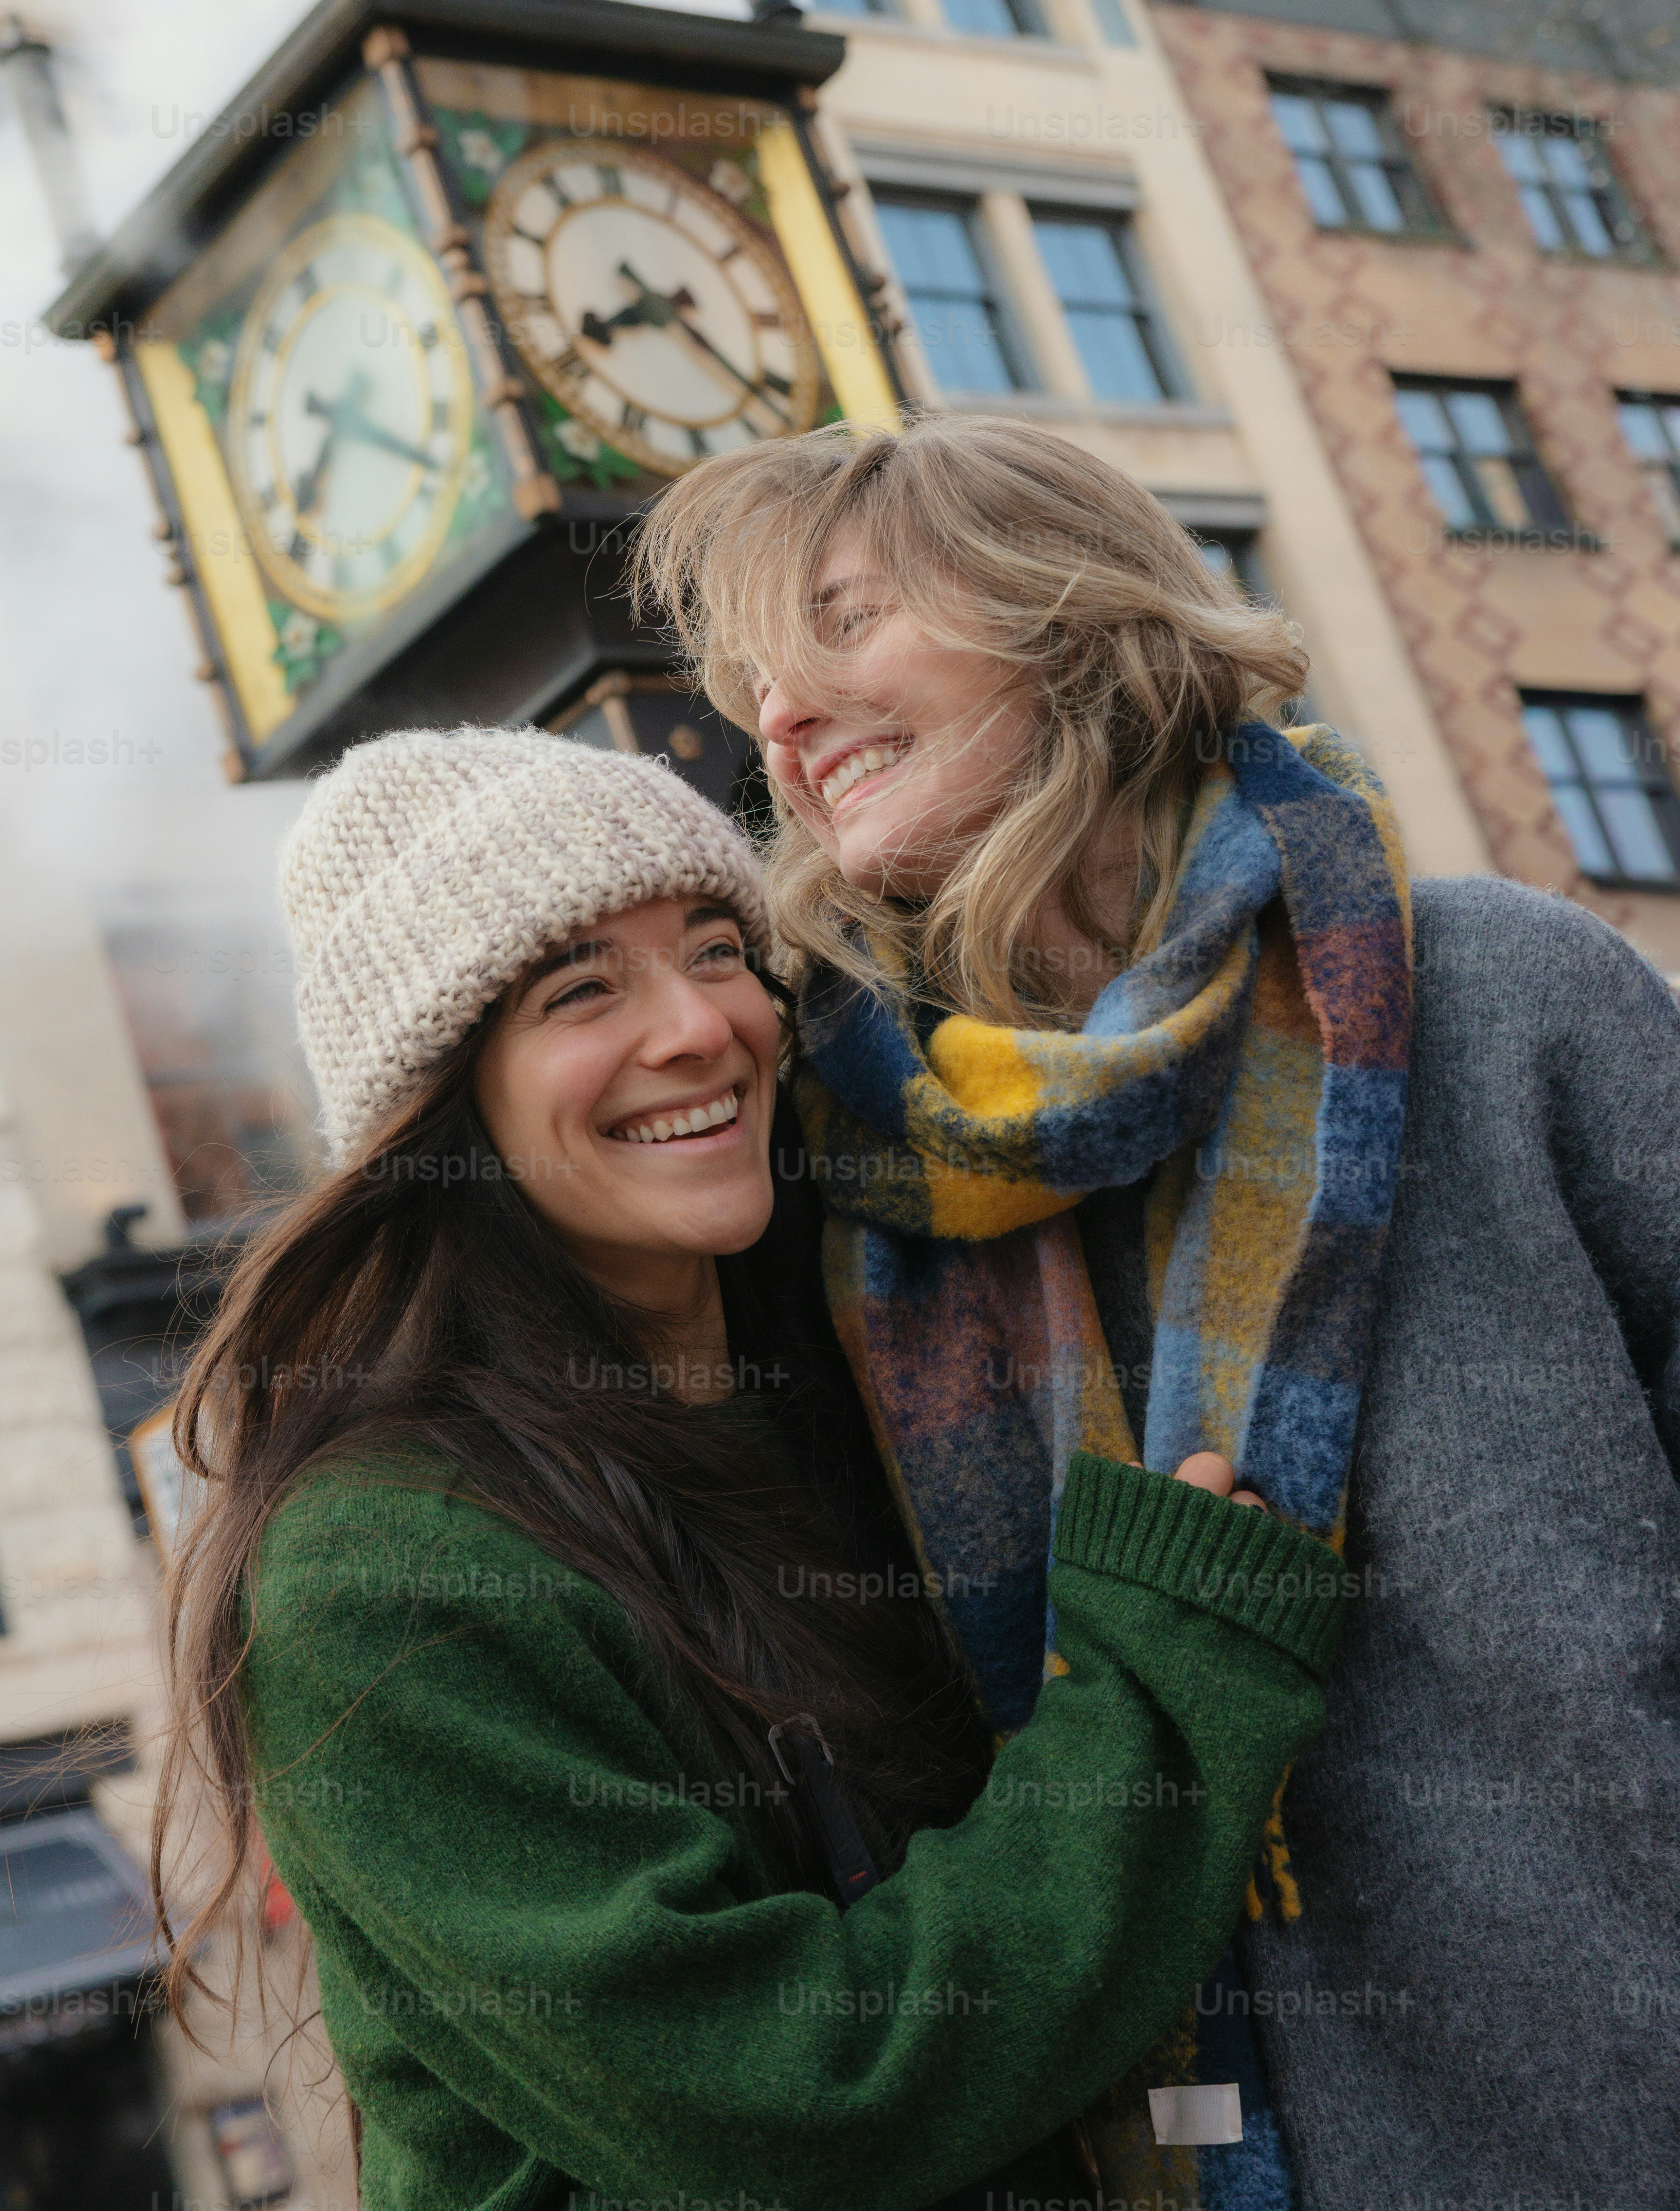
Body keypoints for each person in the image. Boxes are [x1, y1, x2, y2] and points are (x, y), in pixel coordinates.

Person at [637, 412, 1680, 2211]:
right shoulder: (837, 1185)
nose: (783, 722)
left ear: (1066, 612)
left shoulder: (1505, 997)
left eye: (836, 625)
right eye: (752, 687)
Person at [149, 723, 1350, 2211]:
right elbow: (798, 2096)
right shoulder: (382, 1568)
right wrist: (1166, 1675)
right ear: (444, 1105)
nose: (699, 1027)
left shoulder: (846, 1370)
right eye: (580, 987)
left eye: (718, 947)